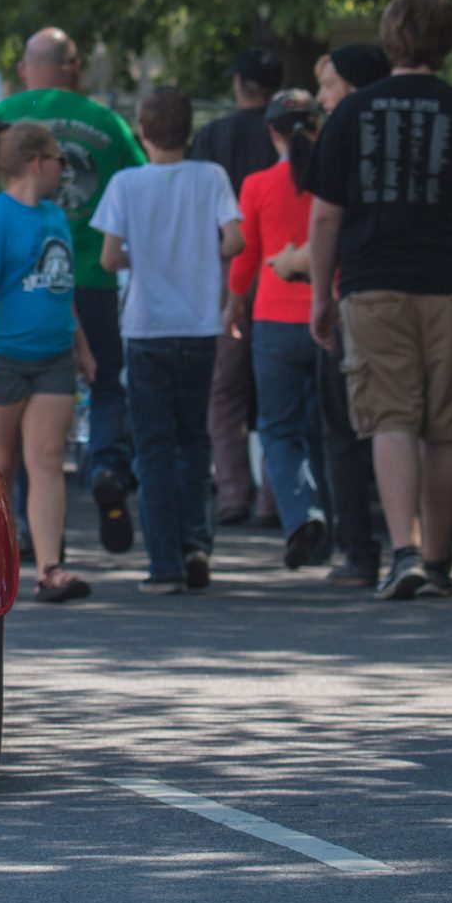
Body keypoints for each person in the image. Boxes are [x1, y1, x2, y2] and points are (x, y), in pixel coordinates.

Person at [308, 0, 452, 602]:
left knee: (390, 419)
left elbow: (325, 219)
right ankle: (439, 557)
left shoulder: (350, 115)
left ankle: (403, 553)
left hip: (373, 286)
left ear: (389, 40)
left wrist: (321, 295)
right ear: (447, 40)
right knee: (445, 428)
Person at [0, 26, 147, 552]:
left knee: (28, 455)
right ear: (73, 65)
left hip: (44, 308)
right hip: (93, 278)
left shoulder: (12, 125)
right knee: (101, 390)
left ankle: (37, 553)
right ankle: (104, 465)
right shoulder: (105, 121)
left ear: (24, 68)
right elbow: (140, 185)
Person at [92, 87, 242, 593]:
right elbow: (235, 240)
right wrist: (201, 252)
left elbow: (110, 257)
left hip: (146, 326)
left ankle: (164, 565)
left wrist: (145, 256)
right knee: (193, 442)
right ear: (190, 130)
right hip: (200, 324)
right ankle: (196, 542)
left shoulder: (126, 184)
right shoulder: (212, 177)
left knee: (153, 448)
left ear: (141, 131)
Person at [0, 120, 94, 603]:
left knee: (48, 459)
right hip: (3, 361)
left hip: (53, 357)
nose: (63, 169)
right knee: (1, 465)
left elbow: (63, 288)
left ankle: (50, 568)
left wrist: (82, 347)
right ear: (38, 162)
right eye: (59, 159)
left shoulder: (55, 218)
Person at [229, 87, 331, 571]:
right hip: (328, 317)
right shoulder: (334, 180)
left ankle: (301, 516)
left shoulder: (257, 184)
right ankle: (339, 528)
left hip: (273, 319)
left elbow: (246, 257)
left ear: (272, 132)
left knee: (278, 429)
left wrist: (233, 305)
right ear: (316, 126)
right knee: (332, 429)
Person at [305, 44, 392, 586]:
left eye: (329, 84)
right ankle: (422, 548)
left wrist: (317, 293)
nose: (321, 97)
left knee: (344, 429)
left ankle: (358, 550)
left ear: (356, 87)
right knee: (418, 428)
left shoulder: (343, 133)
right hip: (437, 293)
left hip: (356, 294)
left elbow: (323, 223)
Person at [192, 47, 284, 527]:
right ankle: (276, 497)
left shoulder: (213, 136)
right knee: (275, 398)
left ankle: (232, 493)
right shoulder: (288, 136)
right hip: (281, 278)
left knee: (223, 396)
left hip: (224, 279)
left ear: (240, 85)